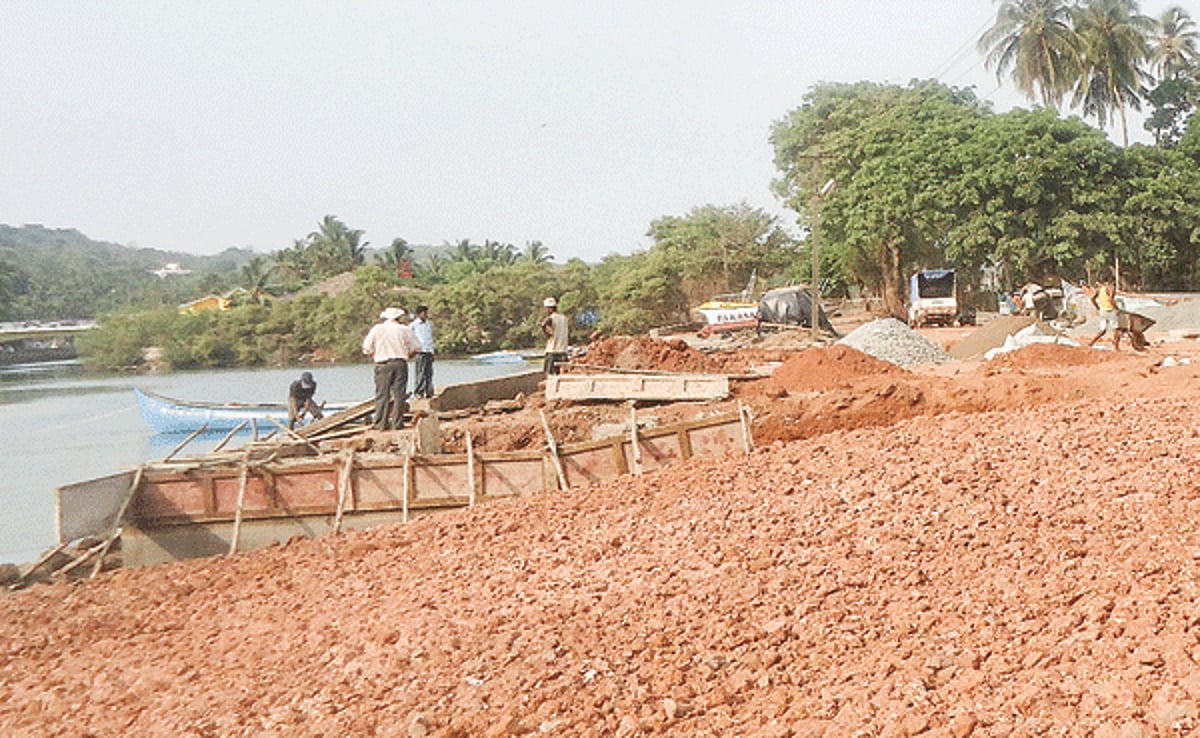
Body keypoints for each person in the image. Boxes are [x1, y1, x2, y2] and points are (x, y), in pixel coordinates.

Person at [362, 307, 422, 430]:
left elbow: (367, 348)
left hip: (382, 363)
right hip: (400, 363)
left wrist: (374, 356)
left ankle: (380, 423)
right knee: (399, 394)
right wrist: (407, 356)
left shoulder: (377, 329)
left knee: (382, 395)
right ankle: (397, 423)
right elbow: (417, 347)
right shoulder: (404, 330)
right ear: (398, 318)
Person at [409, 305, 435, 399]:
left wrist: (432, 351)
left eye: (426, 313)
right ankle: (419, 391)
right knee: (420, 372)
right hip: (420, 351)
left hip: (428, 350)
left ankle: (429, 391)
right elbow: (410, 338)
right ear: (419, 314)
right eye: (424, 313)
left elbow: (430, 338)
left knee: (429, 372)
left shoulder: (429, 324)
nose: (425, 315)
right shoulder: (413, 325)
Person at [1088, 278, 1121, 350]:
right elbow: (1110, 299)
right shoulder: (1111, 288)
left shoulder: (1100, 289)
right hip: (1111, 310)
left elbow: (1092, 299)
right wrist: (1117, 308)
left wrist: (1097, 307)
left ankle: (1091, 343)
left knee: (1103, 330)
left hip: (1102, 311)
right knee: (1116, 329)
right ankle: (1116, 347)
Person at [540, 296, 569, 375]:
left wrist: (544, 329)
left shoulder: (551, 318)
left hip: (552, 351)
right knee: (562, 374)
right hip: (563, 351)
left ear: (550, 309)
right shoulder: (564, 318)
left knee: (549, 375)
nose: (545, 311)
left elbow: (545, 326)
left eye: (546, 309)